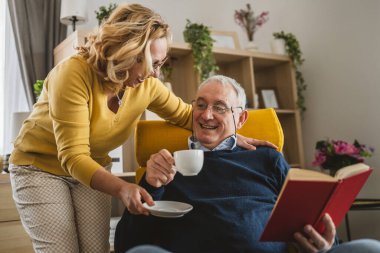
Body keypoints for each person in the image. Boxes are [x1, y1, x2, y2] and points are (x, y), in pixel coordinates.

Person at [8, 4, 273, 253]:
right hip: (40, 167)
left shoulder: (146, 85)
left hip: (92, 168)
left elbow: (186, 115)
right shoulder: (73, 75)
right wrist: (123, 189)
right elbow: (73, 156)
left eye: (161, 64)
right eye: (153, 63)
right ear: (127, 53)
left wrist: (232, 133)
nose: (156, 73)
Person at [115, 75, 380, 253]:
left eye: (220, 107)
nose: (206, 115)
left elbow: (311, 219)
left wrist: (328, 243)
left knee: (369, 248)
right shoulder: (167, 164)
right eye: (200, 105)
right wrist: (150, 184)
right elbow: (128, 243)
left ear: (240, 119)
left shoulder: (267, 158)